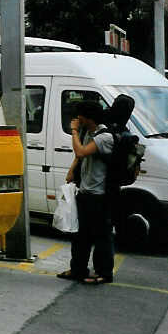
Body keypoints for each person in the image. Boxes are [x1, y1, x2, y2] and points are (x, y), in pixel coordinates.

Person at [57, 100, 115, 284]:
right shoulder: (90, 132)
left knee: (101, 237)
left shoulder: (104, 137)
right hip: (85, 192)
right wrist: (72, 170)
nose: (77, 119)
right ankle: (78, 270)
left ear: (88, 117)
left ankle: (104, 274)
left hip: (98, 196)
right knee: (80, 236)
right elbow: (79, 157)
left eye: (79, 115)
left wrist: (73, 131)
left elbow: (81, 151)